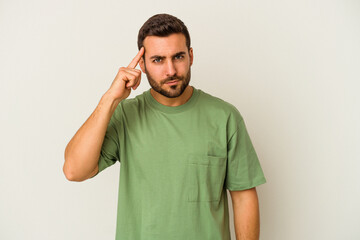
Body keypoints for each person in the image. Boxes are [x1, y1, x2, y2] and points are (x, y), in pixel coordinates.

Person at [63, 13, 266, 240]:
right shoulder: (126, 114)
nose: (170, 70)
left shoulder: (225, 117)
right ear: (143, 64)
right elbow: (74, 170)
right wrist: (110, 98)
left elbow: (243, 196)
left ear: (190, 56)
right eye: (158, 60)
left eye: (178, 57)